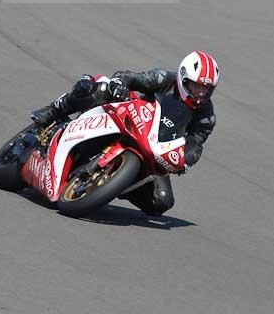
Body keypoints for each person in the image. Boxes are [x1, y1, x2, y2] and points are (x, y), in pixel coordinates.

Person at [30, 51, 220, 216]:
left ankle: (117, 183)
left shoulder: (206, 116)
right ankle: (53, 111)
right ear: (183, 78)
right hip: (132, 120)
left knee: (161, 201)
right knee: (98, 88)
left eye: (206, 89)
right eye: (196, 86)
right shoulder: (164, 79)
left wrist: (185, 160)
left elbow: (196, 142)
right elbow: (132, 78)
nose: (200, 93)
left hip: (155, 149)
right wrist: (120, 83)